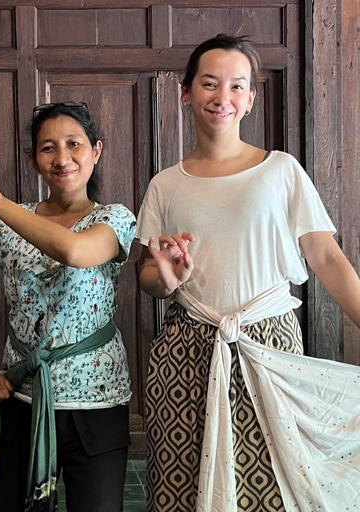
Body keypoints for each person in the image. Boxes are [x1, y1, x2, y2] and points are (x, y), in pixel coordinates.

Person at [136, 34, 360, 512]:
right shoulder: (165, 184)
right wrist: (166, 278)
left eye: (237, 86)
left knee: (276, 487)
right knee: (182, 487)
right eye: (210, 83)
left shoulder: (281, 170)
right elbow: (148, 278)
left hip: (270, 347)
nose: (223, 97)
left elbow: (326, 259)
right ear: (186, 92)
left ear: (251, 100)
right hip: (185, 352)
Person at [0, 102, 136, 512]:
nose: (62, 159)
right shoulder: (5, 224)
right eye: (48, 148)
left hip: (96, 405)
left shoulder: (115, 219)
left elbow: (76, 252)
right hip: (21, 399)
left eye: (74, 144)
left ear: (96, 151)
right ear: (33, 159)